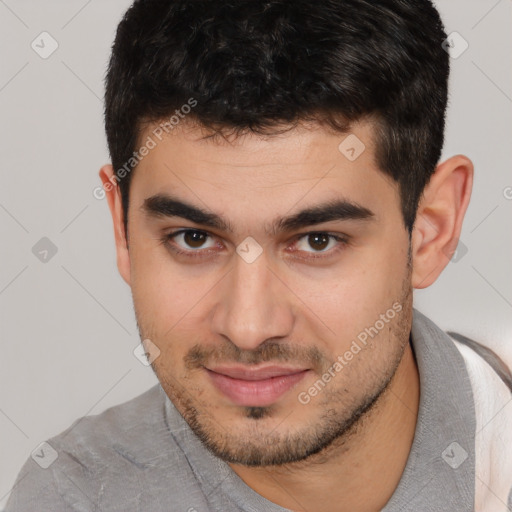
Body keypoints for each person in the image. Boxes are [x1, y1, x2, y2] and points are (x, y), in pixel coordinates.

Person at [5, 0, 512, 510]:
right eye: (194, 238)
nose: (248, 328)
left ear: (431, 229)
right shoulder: (73, 496)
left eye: (318, 241)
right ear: (122, 229)